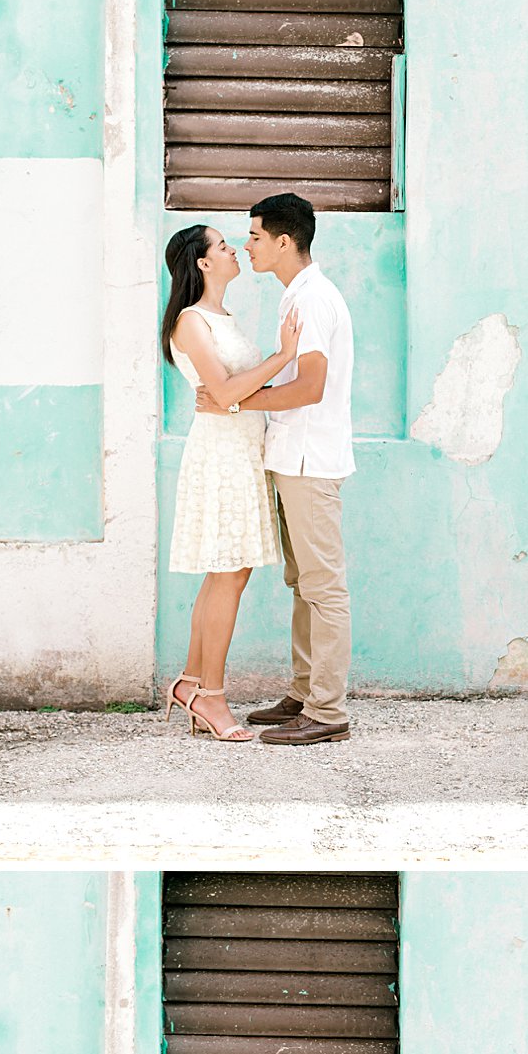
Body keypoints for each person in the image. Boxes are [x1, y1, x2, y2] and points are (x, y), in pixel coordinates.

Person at [196, 194, 356, 747]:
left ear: (284, 242)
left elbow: (311, 387)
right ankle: (305, 693)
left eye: (256, 237)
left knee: (323, 587)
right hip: (290, 460)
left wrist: (236, 402)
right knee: (302, 583)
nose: (247, 245)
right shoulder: (299, 295)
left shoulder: (313, 300)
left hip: (312, 462)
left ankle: (327, 711)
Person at [159, 223, 300, 742]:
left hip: (239, 449)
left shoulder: (221, 318)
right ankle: (210, 696)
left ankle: (193, 684)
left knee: (225, 573)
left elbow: (228, 393)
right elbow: (221, 392)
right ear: (202, 262)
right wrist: (282, 357)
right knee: (229, 573)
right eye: (223, 246)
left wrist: (234, 393)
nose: (235, 249)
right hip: (220, 454)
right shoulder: (191, 322)